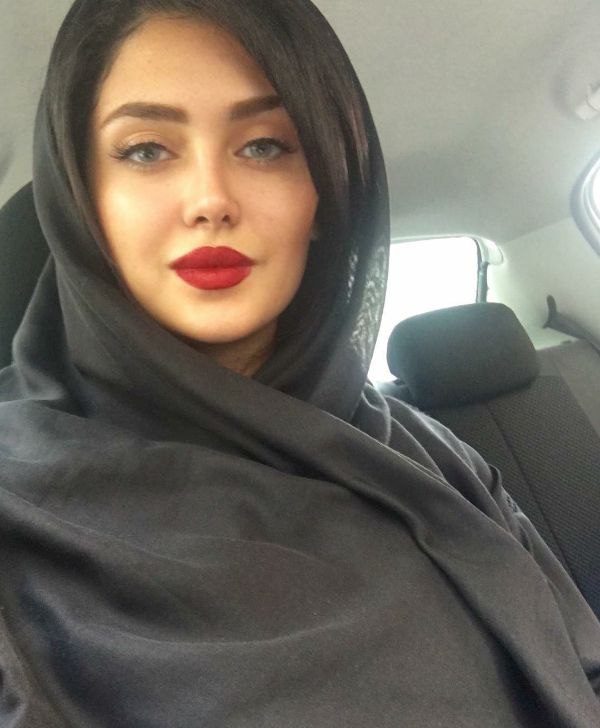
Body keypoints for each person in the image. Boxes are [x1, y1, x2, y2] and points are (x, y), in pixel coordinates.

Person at [0, 1, 599, 726]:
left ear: (324, 195)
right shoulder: (18, 511)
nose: (211, 200)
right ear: (78, 195)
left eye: (264, 146)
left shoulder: (433, 456)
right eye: (147, 151)